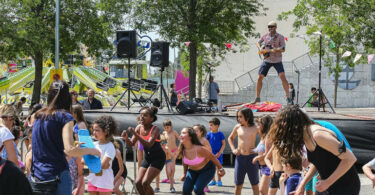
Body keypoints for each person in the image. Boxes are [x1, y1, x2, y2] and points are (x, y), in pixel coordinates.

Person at [268, 105, 360, 195]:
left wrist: (327, 182)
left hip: (344, 185)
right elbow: (317, 162)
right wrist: (302, 184)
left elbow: (350, 159)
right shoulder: (307, 136)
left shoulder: (318, 135)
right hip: (326, 183)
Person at [31, 80, 100, 195]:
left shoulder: (37, 116)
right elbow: (70, 150)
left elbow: (46, 145)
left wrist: (73, 146)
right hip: (57, 176)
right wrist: (92, 150)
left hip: (37, 176)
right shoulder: (65, 117)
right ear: (67, 96)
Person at [121, 106, 166, 195]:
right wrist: (126, 139)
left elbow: (149, 144)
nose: (142, 117)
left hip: (158, 158)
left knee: (145, 183)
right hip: (147, 158)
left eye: (145, 115)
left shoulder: (155, 129)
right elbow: (131, 144)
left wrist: (135, 134)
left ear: (152, 118)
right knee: (138, 183)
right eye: (141, 115)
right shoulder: (139, 127)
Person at [178, 127, 226, 195]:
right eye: (181, 133)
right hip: (192, 171)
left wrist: (221, 169)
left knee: (198, 189)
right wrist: (184, 173)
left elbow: (212, 157)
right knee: (186, 190)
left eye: (183, 133)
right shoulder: (183, 149)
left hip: (207, 170)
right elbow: (185, 162)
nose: (180, 135)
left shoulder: (200, 149)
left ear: (190, 136)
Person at [253, 21, 291, 104]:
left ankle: (288, 97)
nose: (270, 28)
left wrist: (274, 49)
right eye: (269, 27)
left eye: (272, 27)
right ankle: (257, 97)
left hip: (277, 60)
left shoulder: (280, 37)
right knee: (260, 77)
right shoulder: (265, 36)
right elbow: (258, 42)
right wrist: (260, 49)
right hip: (267, 60)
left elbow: (283, 49)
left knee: (282, 76)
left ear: (275, 27)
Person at [228, 107, 259, 195]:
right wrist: (233, 149)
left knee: (255, 185)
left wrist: (258, 149)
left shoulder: (255, 127)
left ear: (248, 117)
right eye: (238, 117)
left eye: (240, 117)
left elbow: (265, 139)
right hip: (240, 158)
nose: (238, 119)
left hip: (252, 159)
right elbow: (230, 138)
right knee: (238, 185)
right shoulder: (237, 127)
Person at [87, 115, 117, 195]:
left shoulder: (110, 146)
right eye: (93, 130)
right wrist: (98, 164)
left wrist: (91, 161)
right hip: (92, 179)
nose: (94, 133)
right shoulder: (92, 144)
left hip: (104, 181)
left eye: (97, 130)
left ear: (106, 131)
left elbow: (102, 166)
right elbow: (83, 161)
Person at [252, 115, 273, 195]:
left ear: (264, 125)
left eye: (259, 124)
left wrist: (257, 157)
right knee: (265, 191)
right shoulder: (263, 137)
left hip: (268, 166)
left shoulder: (268, 137)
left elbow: (268, 154)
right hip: (263, 167)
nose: (257, 126)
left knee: (262, 190)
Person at [161, 119, 179, 192]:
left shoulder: (174, 132)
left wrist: (178, 149)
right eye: (165, 127)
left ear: (171, 126)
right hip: (167, 152)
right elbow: (163, 143)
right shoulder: (163, 133)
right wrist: (165, 149)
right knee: (167, 168)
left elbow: (180, 139)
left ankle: (172, 183)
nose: (166, 129)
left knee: (172, 169)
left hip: (174, 151)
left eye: (168, 127)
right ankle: (169, 178)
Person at [193, 124, 212, 192]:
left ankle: (206, 187)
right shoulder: (193, 140)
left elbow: (210, 150)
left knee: (203, 175)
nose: (194, 132)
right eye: (193, 130)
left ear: (201, 132)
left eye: (196, 131)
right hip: (195, 161)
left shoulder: (204, 140)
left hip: (204, 161)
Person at [207, 117, 225, 186]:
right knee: (211, 167)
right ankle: (213, 180)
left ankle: (219, 181)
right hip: (211, 154)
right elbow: (206, 144)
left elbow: (223, 144)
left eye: (211, 125)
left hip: (218, 154)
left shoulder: (220, 134)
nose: (210, 126)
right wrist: (209, 152)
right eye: (209, 125)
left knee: (218, 167)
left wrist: (220, 152)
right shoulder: (208, 134)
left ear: (217, 126)